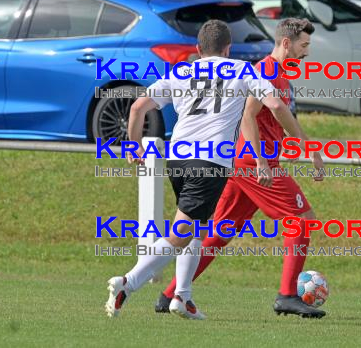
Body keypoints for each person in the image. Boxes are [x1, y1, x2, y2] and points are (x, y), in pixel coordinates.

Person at [104, 19, 308, 320]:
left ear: (198, 49)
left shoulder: (182, 71)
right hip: (210, 161)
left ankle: (182, 297)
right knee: (182, 233)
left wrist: (133, 145)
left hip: (178, 158)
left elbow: (137, 108)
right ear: (228, 48)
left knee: (196, 227)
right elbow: (276, 107)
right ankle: (128, 282)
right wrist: (302, 142)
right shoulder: (241, 70)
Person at [155, 18, 327, 318]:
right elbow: (248, 116)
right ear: (286, 43)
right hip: (252, 164)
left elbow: (277, 117)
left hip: (240, 165)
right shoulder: (266, 71)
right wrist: (266, 159)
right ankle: (287, 295)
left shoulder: (281, 75)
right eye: (304, 45)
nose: (306, 52)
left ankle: (170, 294)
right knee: (301, 220)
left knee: (220, 232)